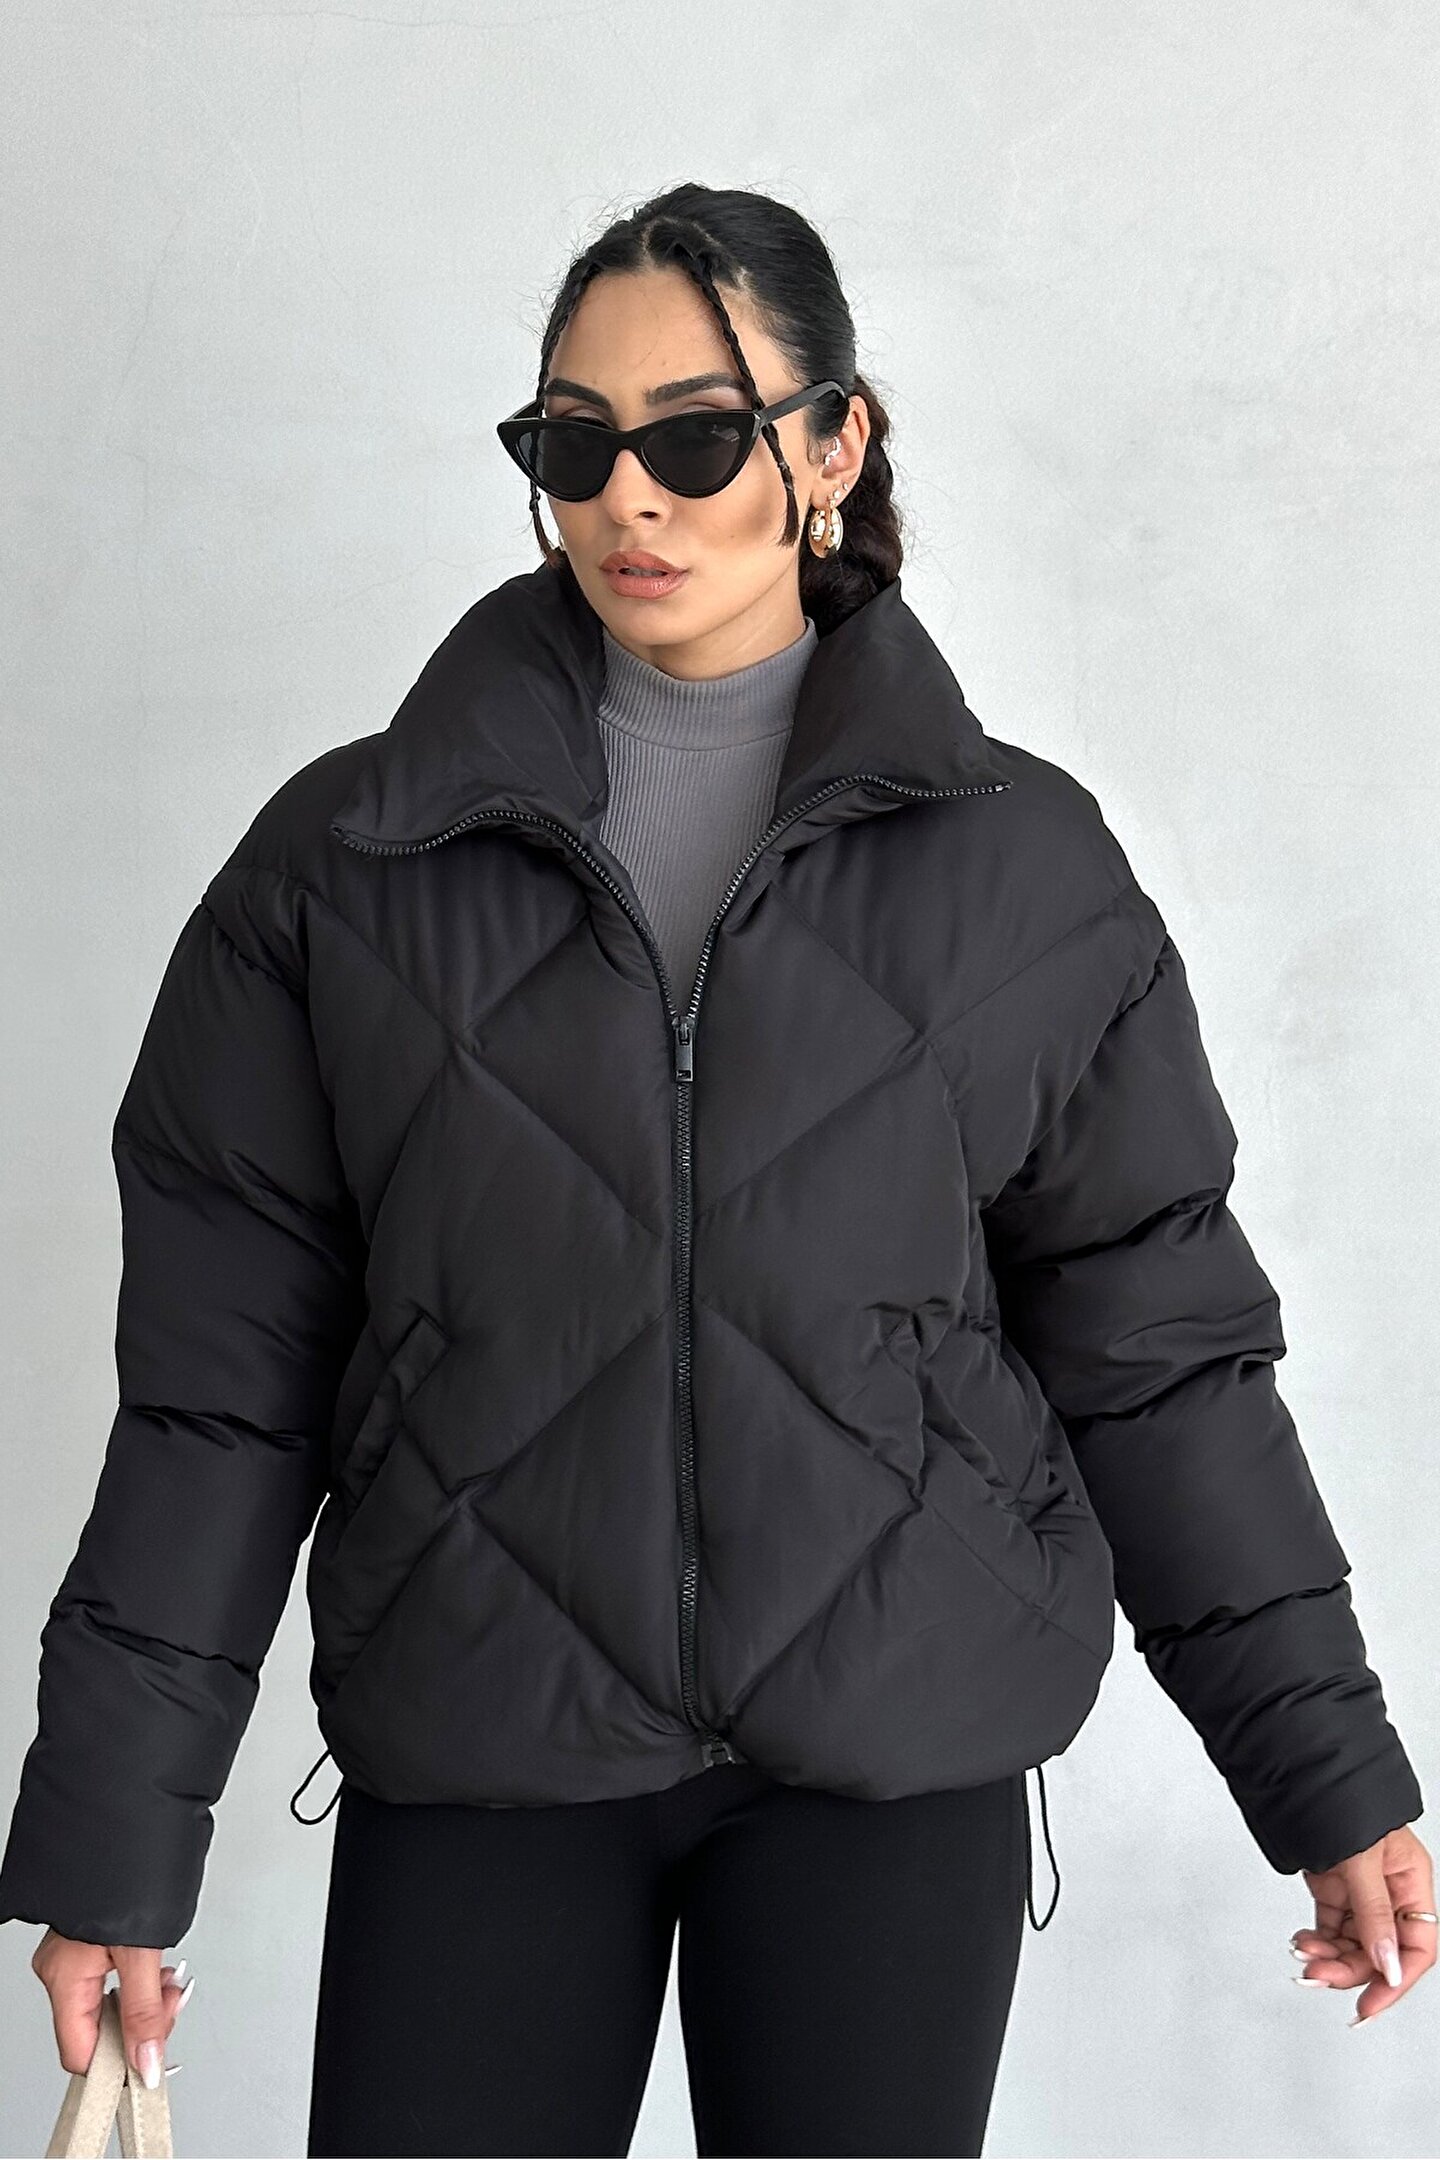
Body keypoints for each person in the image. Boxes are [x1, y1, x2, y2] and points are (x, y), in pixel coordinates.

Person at [1, 182, 1432, 2160]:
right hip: (486, 1744)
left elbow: (1158, 1355)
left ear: (832, 445)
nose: (627, 498)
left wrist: (1328, 1774)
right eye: (571, 443)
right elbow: (221, 1396)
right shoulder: (349, 866)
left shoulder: (1023, 871)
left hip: (891, 1762)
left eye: (692, 439)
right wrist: (114, 1846)